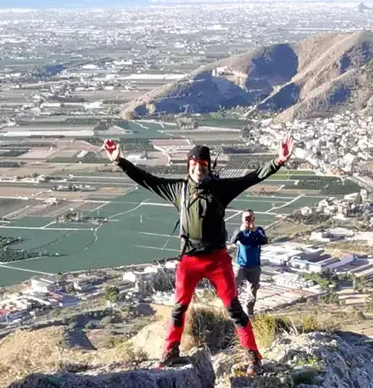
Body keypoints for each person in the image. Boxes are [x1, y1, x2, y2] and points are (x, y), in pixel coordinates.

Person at [103, 134, 294, 375]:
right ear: (188, 166)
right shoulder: (178, 190)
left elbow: (251, 178)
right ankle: (170, 351)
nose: (198, 169)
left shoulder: (221, 189)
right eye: (194, 165)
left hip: (217, 260)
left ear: (208, 166)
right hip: (189, 260)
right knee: (179, 308)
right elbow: (146, 179)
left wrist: (278, 161)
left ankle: (253, 356)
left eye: (202, 165)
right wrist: (119, 161)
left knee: (234, 308)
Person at [233, 210, 267, 318]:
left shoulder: (259, 230)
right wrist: (241, 230)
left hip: (254, 266)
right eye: (246, 218)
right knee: (233, 286)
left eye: (250, 217)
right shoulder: (239, 231)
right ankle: (234, 310)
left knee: (252, 291)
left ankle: (249, 313)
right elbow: (232, 239)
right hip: (241, 265)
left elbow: (264, 240)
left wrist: (254, 230)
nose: (248, 220)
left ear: (254, 218)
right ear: (242, 219)